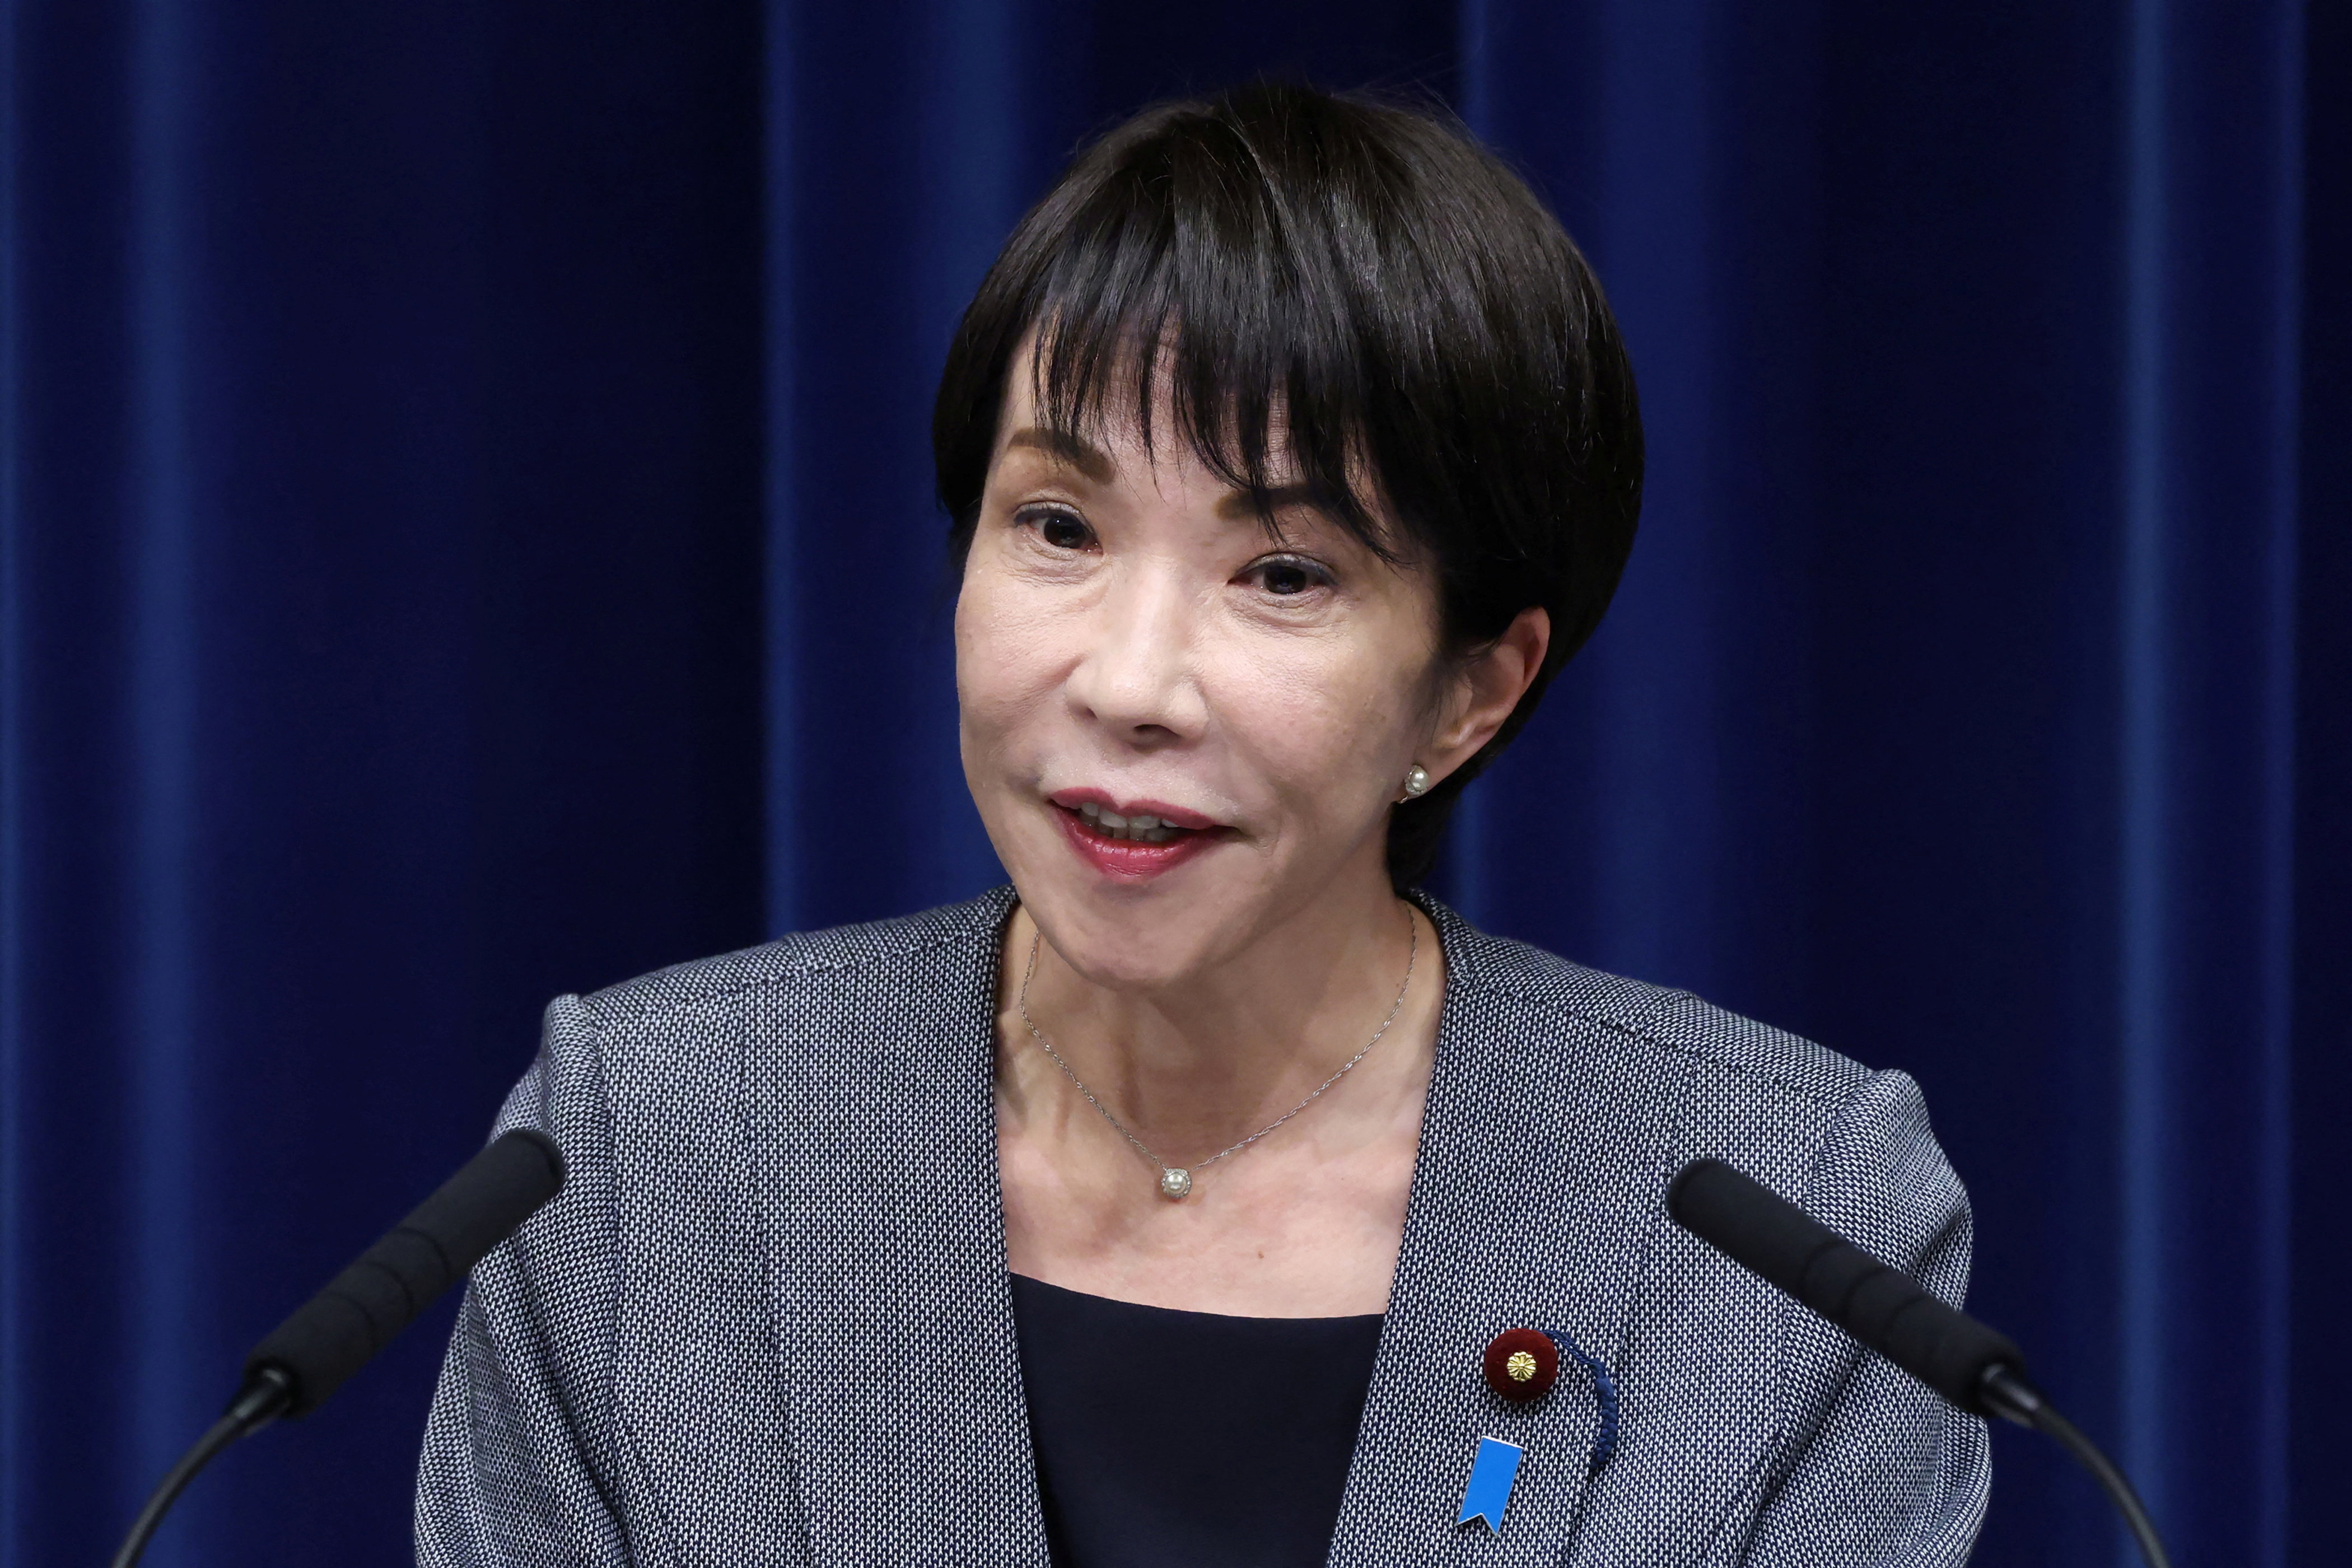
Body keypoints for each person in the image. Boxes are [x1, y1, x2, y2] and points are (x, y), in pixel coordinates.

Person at [416, 83, 1987, 1568]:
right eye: (1059, 527)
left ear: (1471, 694)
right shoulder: (646, 1156)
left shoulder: (1788, 1227)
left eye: (1284, 573)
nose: (1130, 682)